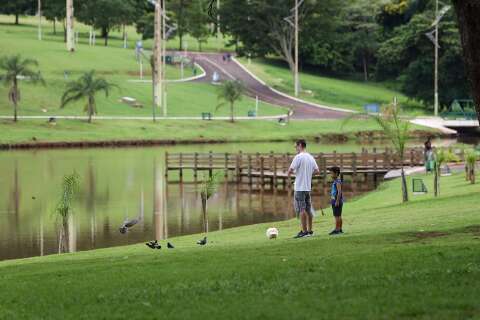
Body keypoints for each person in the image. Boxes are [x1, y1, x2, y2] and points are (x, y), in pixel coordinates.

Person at [287, 139, 319, 238]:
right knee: (308, 209)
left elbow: (289, 171)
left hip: (300, 188)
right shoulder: (310, 157)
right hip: (307, 188)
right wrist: (308, 174)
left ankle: (304, 231)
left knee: (301, 209)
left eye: (296, 146)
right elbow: (317, 171)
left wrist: (294, 175)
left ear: (300, 145)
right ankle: (310, 231)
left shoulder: (298, 157)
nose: (295, 148)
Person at [328, 166, 344, 235]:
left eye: (331, 173)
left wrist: (337, 201)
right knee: (338, 215)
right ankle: (339, 229)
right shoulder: (336, 181)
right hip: (335, 200)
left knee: (337, 216)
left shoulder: (337, 182)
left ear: (336, 173)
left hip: (337, 201)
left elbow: (339, 192)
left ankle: (337, 229)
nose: (331, 175)